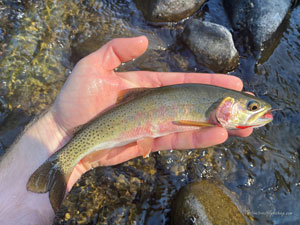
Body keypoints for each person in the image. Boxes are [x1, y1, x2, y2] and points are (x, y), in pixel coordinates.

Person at [0, 36, 252, 224]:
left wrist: (57, 128)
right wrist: (59, 128)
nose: (254, 112)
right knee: (67, 156)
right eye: (251, 107)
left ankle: (53, 168)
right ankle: (60, 163)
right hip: (105, 128)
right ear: (227, 106)